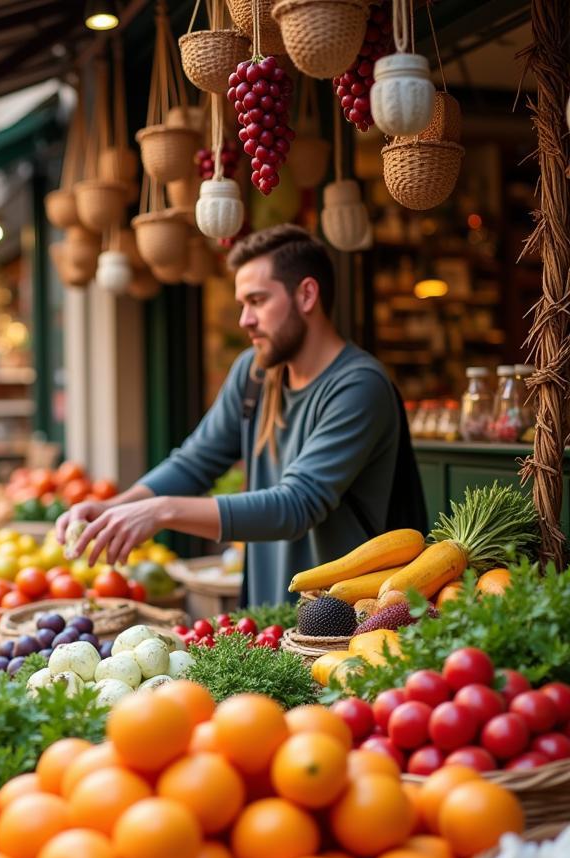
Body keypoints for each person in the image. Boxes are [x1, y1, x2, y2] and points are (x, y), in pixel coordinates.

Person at [58, 223, 401, 606]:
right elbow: (194, 463)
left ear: (306, 295)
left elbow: (296, 505)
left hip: (346, 627)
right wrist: (116, 506)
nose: (245, 320)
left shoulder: (359, 386)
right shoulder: (254, 373)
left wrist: (161, 511)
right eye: (243, 304)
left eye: (257, 301)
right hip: (267, 613)